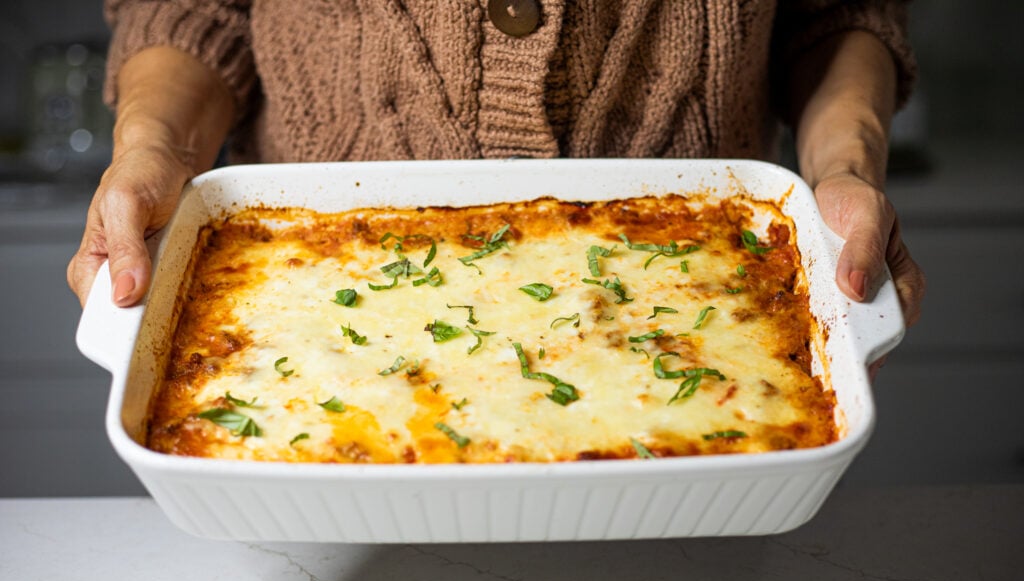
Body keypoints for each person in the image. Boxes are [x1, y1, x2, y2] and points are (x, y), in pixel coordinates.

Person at [68, 0, 925, 344]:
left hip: (712, 316)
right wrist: (157, 149)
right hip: (298, 305)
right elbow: (191, 11)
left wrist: (844, 166)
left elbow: (835, 13)